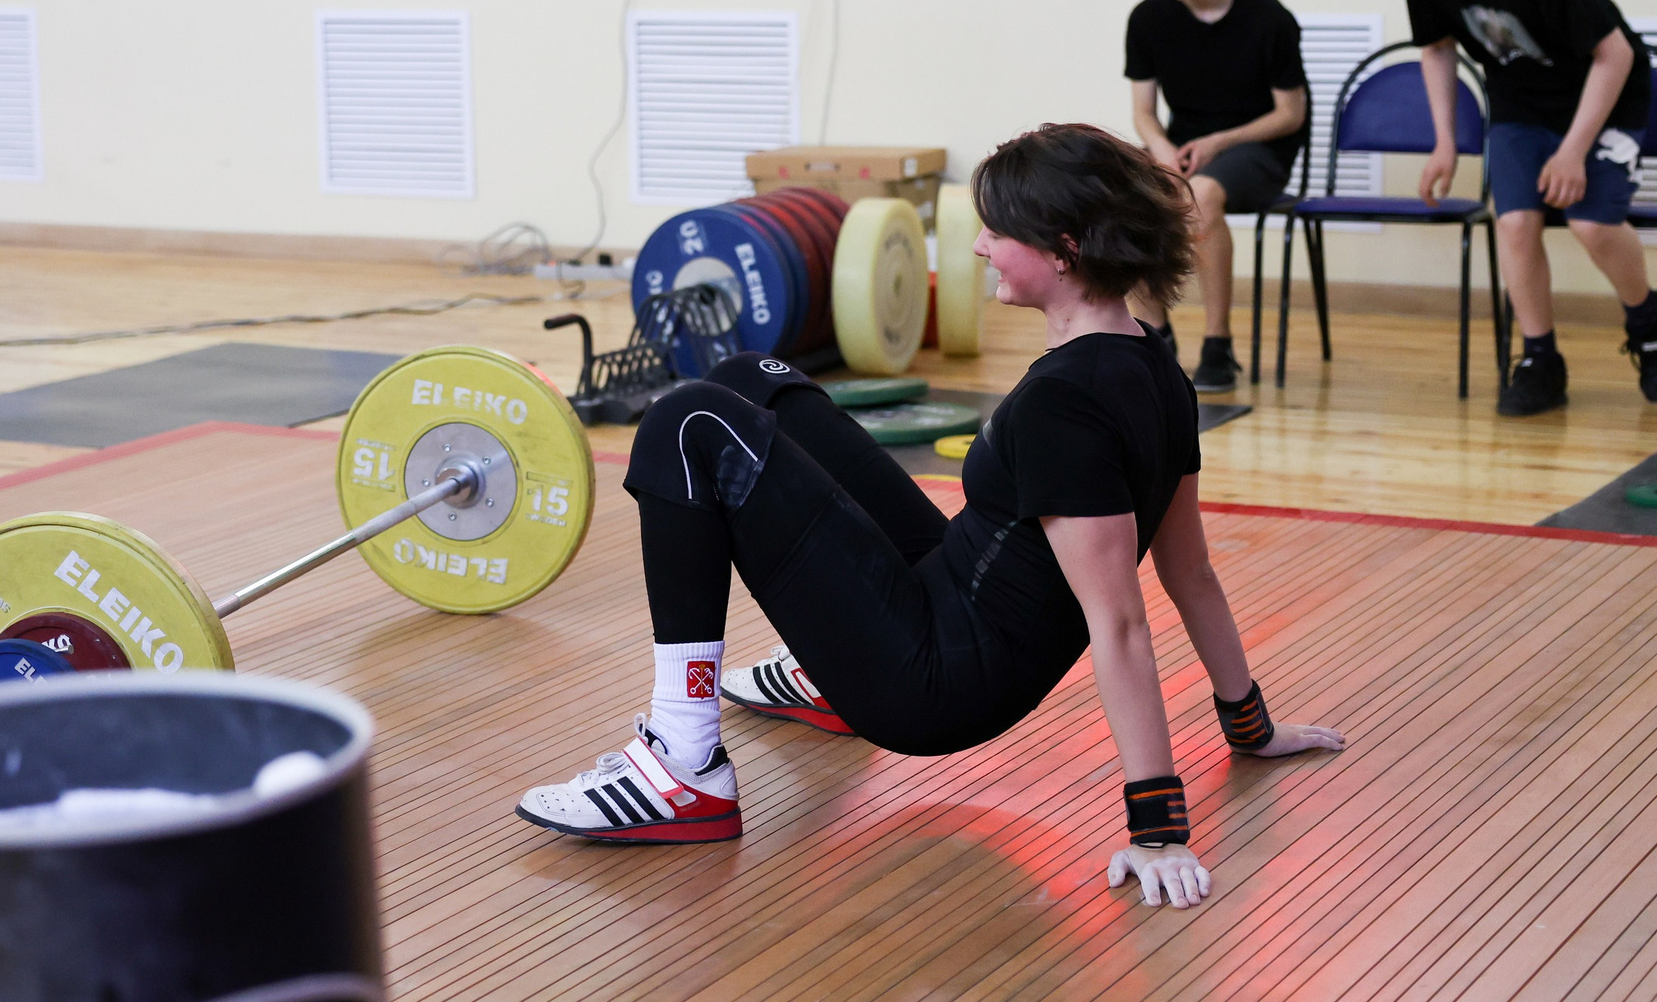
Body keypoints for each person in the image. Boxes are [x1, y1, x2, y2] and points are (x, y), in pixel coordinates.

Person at [515, 123, 1342, 906]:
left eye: (996, 231)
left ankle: (684, 761)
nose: (979, 245)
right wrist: (1250, 725)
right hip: (945, 604)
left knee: (687, 422)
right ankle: (828, 666)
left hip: (931, 683)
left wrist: (1158, 829)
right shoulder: (1159, 373)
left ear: (1065, 250)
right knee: (749, 378)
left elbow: (1119, 621)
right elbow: (1189, 570)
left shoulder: (1066, 405)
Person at [1404, 0, 1657, 416]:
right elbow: (1436, 51)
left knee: (1589, 225)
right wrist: (1444, 142)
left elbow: (1616, 57)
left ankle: (1649, 320)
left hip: (1605, 99)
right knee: (1514, 225)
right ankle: (1540, 359)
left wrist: (1574, 152)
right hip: (1520, 107)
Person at [1124, 0, 1309, 392]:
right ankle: (1154, 337)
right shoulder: (1147, 18)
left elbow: (1291, 114)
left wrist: (1219, 141)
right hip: (1183, 145)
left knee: (1202, 194)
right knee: (1125, 196)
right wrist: (1162, 148)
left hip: (1260, 148)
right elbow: (1143, 111)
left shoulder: (1268, 17)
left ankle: (1217, 345)